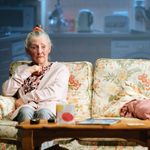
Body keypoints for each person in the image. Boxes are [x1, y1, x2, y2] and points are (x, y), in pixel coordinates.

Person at [2, 25, 70, 124]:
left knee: (43, 113)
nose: (39, 51)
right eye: (34, 47)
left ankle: (44, 140)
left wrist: (25, 98)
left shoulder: (60, 69)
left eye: (43, 47)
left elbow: (56, 92)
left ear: (49, 48)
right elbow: (6, 91)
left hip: (50, 108)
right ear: (27, 50)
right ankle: (27, 140)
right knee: (25, 111)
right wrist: (27, 71)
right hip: (27, 108)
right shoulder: (22, 69)